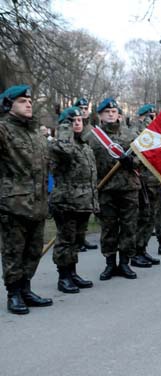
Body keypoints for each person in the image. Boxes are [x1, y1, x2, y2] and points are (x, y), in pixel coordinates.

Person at [0, 85, 53, 314]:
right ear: (8, 105)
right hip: (13, 204)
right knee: (13, 252)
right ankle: (14, 294)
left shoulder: (36, 134)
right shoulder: (3, 130)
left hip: (38, 203)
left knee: (33, 251)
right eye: (22, 100)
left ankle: (26, 289)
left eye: (29, 100)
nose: (29, 104)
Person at [88, 98, 140, 281]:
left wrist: (131, 161)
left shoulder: (130, 135)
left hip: (128, 188)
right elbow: (87, 163)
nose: (111, 114)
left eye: (114, 111)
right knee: (108, 227)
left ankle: (125, 263)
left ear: (119, 114)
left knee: (128, 226)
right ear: (100, 115)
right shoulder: (92, 137)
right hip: (105, 189)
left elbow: (143, 159)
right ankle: (110, 263)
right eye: (106, 112)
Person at [49, 106, 99, 294]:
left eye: (79, 120)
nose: (78, 123)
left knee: (77, 240)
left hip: (83, 202)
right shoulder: (59, 144)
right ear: (64, 124)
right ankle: (63, 277)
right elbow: (66, 151)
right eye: (72, 121)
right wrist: (64, 128)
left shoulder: (84, 146)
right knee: (66, 240)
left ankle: (73, 272)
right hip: (66, 202)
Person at [131, 104, 161, 266]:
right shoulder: (136, 132)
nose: (153, 118)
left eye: (154, 115)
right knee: (142, 217)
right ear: (142, 117)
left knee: (150, 217)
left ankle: (143, 249)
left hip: (154, 179)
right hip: (142, 180)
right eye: (150, 116)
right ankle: (135, 252)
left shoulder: (156, 133)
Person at [73, 96, 99, 251]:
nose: (83, 112)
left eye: (85, 109)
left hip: (90, 173)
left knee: (86, 211)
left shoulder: (92, 129)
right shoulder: (72, 127)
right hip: (76, 177)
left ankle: (82, 238)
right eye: (80, 109)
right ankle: (76, 239)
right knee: (75, 211)